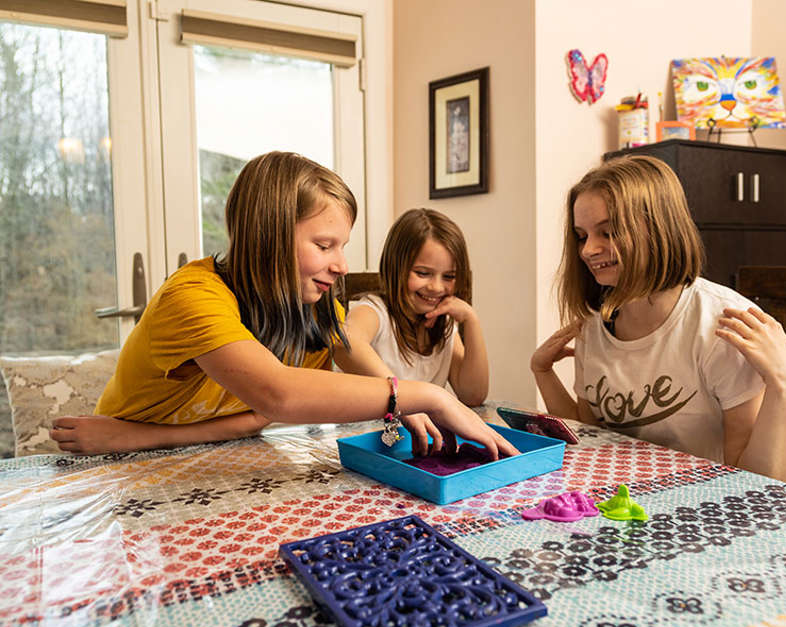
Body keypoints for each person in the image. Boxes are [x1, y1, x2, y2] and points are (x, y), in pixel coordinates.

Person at [50, 152, 518, 460]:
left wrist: (143, 435)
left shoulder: (313, 305)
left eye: (343, 246)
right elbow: (280, 396)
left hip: (191, 449)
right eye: (324, 244)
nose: (341, 265)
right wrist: (428, 395)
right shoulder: (192, 298)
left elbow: (259, 417)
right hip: (123, 464)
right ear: (268, 237)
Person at [531, 155, 786, 482]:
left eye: (608, 232)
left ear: (658, 228)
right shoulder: (593, 326)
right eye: (582, 236)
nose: (589, 250)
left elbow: (760, 481)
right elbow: (590, 438)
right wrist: (542, 371)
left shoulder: (723, 325)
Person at [337, 209, 489, 452]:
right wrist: (402, 398)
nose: (436, 287)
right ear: (396, 267)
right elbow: (344, 342)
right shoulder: (375, 311)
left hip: (417, 450)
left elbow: (473, 395)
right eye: (422, 273)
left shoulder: (444, 326)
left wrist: (471, 321)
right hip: (367, 447)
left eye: (448, 276)